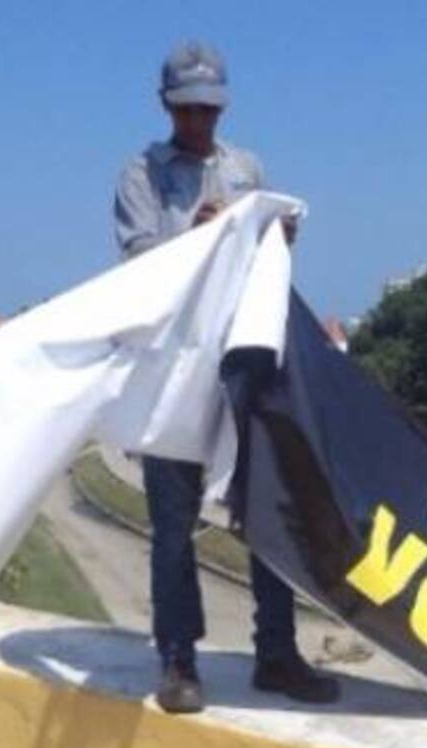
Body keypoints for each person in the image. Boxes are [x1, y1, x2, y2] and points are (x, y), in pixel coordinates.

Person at [113, 41, 340, 714]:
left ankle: (277, 652)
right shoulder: (141, 175)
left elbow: (257, 269)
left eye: (209, 111)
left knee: (269, 508)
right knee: (174, 522)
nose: (199, 123)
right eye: (187, 111)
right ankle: (178, 658)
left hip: (240, 364)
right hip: (172, 369)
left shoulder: (246, 166)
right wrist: (200, 233)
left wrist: (274, 240)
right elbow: (139, 266)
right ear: (167, 106)